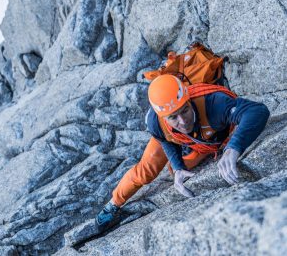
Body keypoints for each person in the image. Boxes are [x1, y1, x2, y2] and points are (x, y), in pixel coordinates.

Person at [95, 74, 270, 230]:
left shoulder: (213, 103)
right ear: (163, 117)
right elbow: (165, 140)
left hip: (206, 136)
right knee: (146, 170)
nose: (182, 121)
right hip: (185, 137)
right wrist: (178, 167)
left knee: (184, 165)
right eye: (173, 117)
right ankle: (113, 204)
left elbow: (257, 111)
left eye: (185, 110)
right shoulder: (156, 122)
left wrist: (233, 148)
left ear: (188, 100)